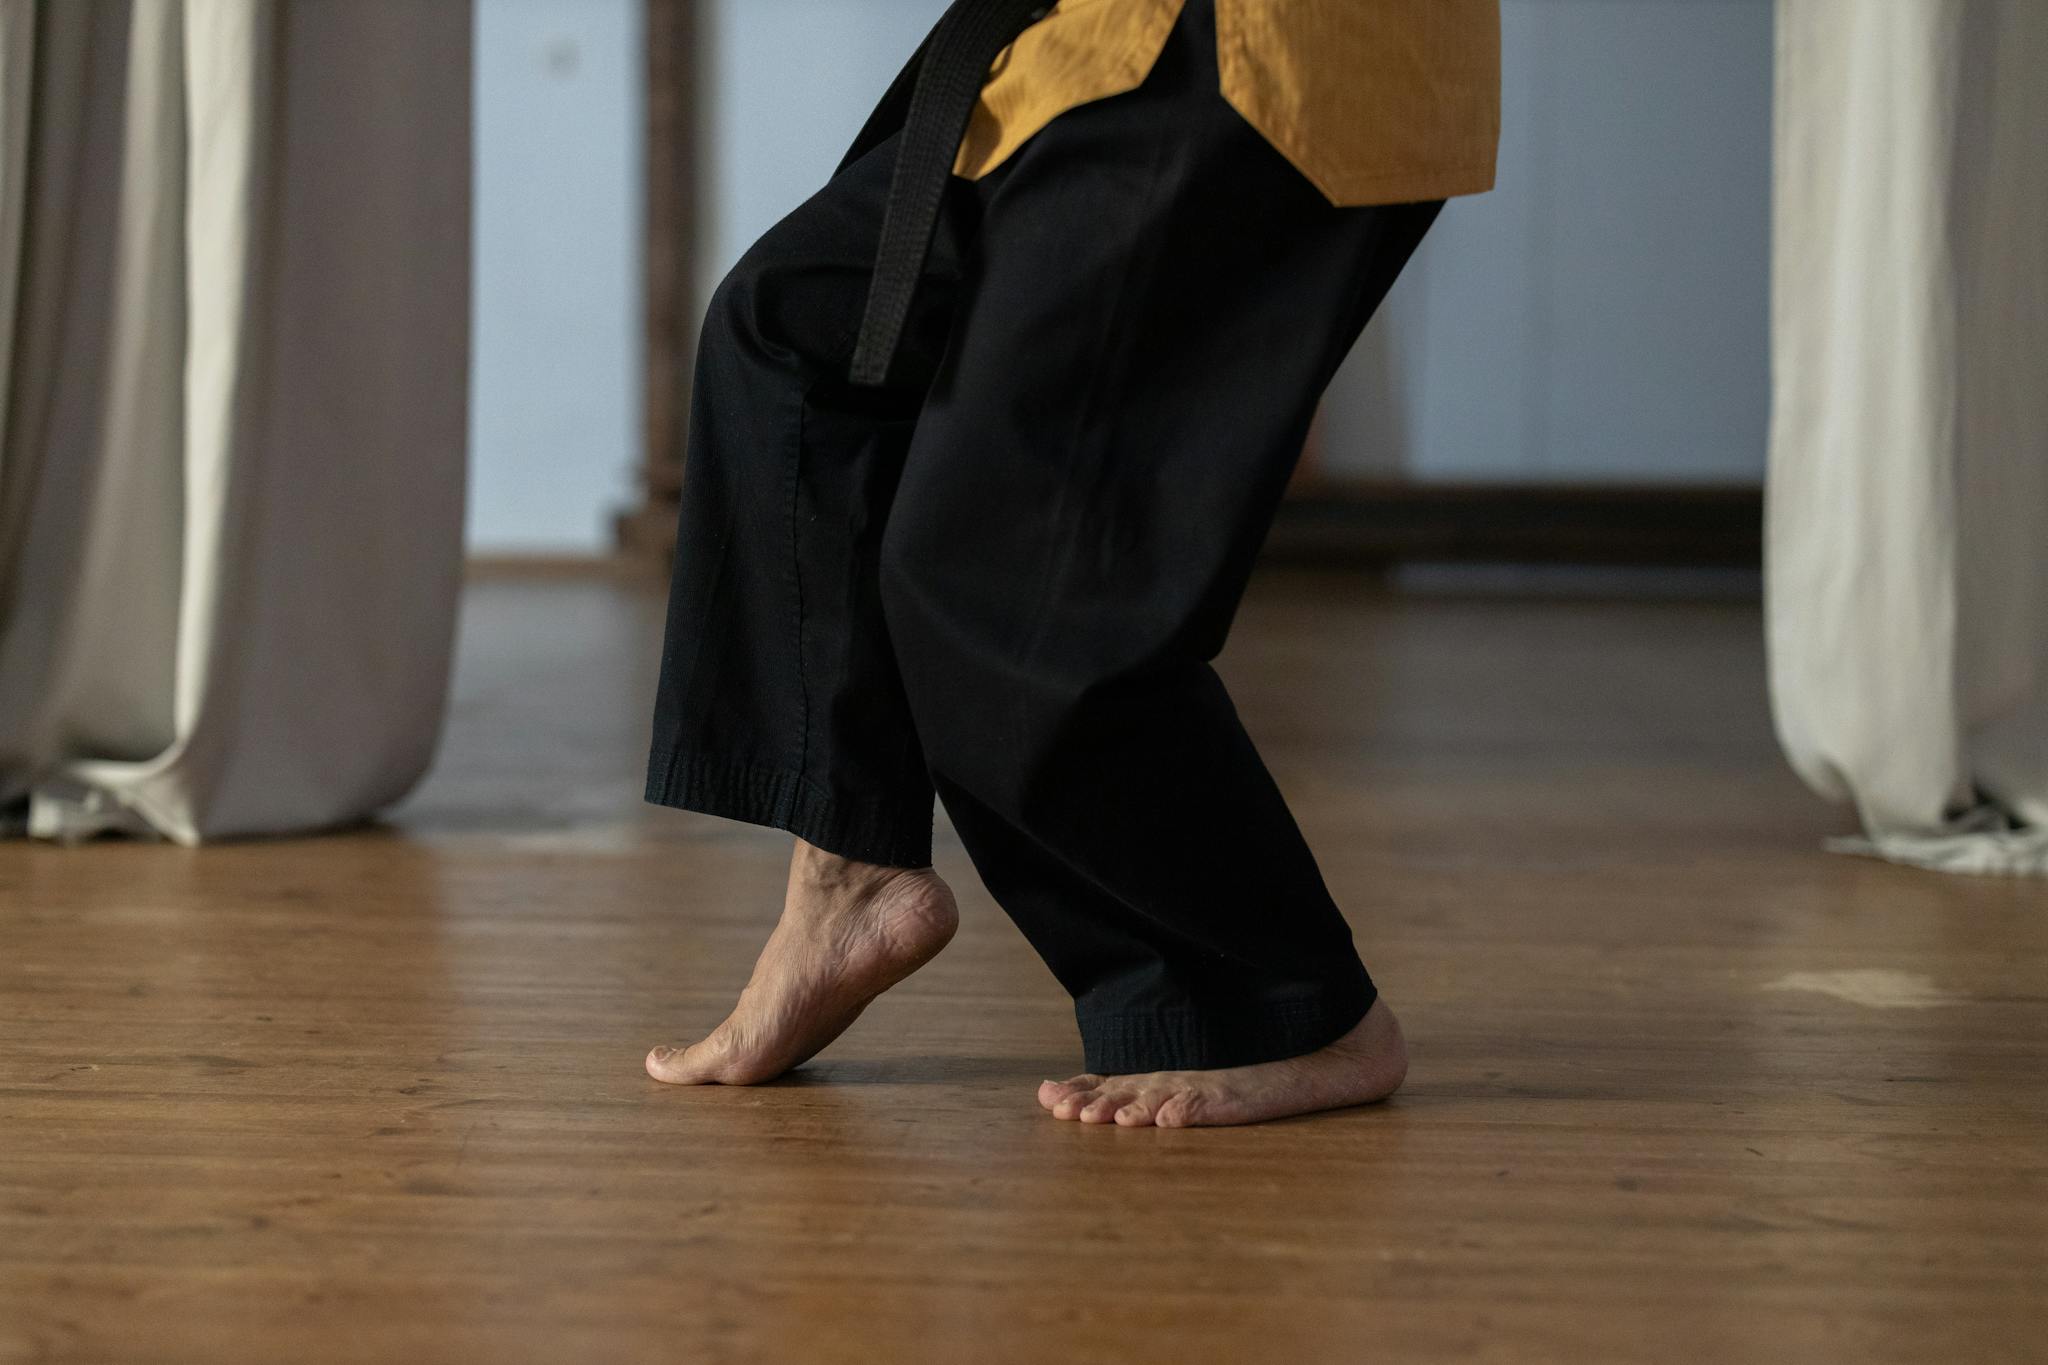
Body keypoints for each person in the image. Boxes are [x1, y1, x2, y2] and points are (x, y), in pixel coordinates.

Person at [641, 0, 1501, 1127]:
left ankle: (1279, 1005)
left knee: (1004, 577)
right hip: (1078, 38)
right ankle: (846, 875)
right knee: (793, 342)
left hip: (1258, 55)